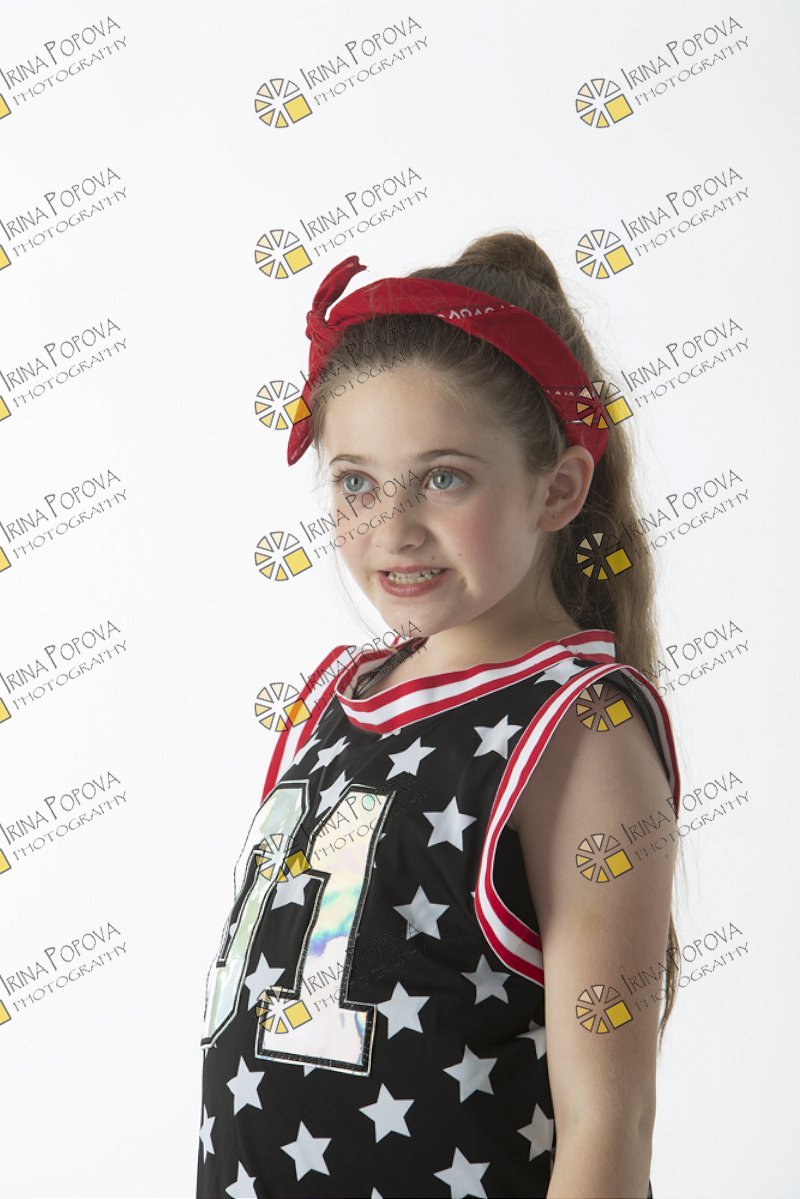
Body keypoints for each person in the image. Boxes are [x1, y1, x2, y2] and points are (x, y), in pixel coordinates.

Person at [195, 231, 683, 1199]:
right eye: (356, 482)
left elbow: (609, 1122)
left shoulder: (575, 731)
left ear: (558, 487)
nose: (394, 527)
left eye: (444, 477)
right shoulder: (335, 698)